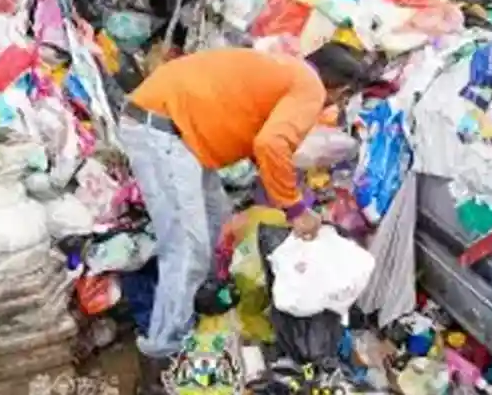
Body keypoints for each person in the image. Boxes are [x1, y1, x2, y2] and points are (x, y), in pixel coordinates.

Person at [119, 42, 368, 393]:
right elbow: (272, 144)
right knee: (187, 249)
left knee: (218, 222)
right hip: (163, 131)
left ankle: (201, 306)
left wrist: (282, 188)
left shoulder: (287, 69)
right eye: (342, 98)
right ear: (341, 88)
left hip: (179, 130)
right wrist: (295, 210)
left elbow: (256, 135)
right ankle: (163, 357)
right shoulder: (309, 87)